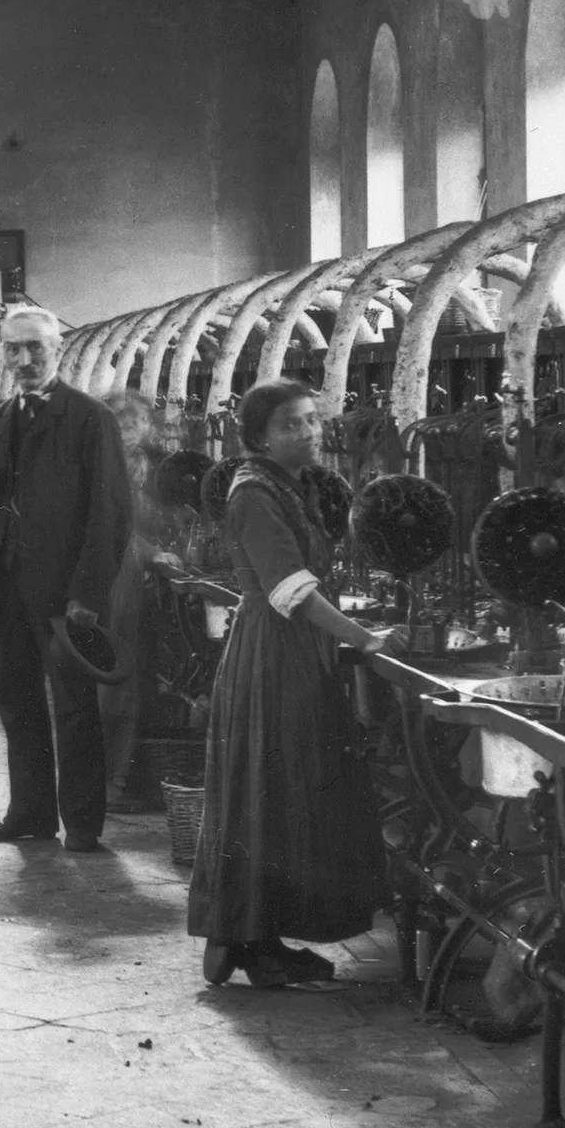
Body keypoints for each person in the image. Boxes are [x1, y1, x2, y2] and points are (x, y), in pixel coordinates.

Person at [189, 381, 404, 988]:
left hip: (297, 651)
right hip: (273, 652)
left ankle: (253, 934)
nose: (308, 432)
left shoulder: (294, 485)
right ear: (259, 437)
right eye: (291, 425)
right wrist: (363, 637)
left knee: (281, 791)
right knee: (272, 785)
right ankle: (249, 938)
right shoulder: (255, 493)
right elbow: (290, 589)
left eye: (312, 420)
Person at [0, 305, 132, 852]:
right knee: (17, 700)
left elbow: (110, 512)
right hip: (8, 586)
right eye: (13, 348)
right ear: (3, 355)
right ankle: (30, 814)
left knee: (75, 705)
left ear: (57, 351)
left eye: (35, 347)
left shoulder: (89, 419)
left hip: (64, 591)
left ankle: (82, 824)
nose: (24, 358)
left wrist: (89, 592)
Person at [102, 390, 178, 814]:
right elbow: (114, 527)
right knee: (113, 682)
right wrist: (154, 552)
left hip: (129, 579)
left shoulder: (143, 465)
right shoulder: (110, 469)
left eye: (137, 424)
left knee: (125, 682)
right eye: (124, 425)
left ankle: (117, 775)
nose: (133, 432)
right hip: (114, 582)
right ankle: (109, 779)